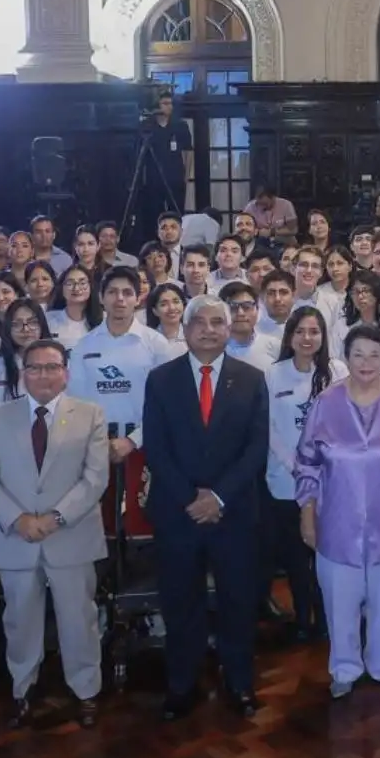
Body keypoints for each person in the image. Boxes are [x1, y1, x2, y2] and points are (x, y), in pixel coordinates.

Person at [142, 295, 270, 719]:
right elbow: (156, 449)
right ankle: (182, 685)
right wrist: (190, 498)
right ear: (187, 327)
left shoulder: (251, 379)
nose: (210, 329)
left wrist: (217, 497)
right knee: (181, 602)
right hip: (178, 512)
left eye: (219, 322)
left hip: (233, 512)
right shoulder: (160, 380)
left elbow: (256, 448)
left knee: (237, 601)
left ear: (229, 327)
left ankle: (239, 682)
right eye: (202, 322)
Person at [0, 339, 110, 728]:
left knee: (78, 618)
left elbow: (95, 478)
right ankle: (22, 688)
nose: (44, 375)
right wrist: (18, 519)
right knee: (19, 619)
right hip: (15, 537)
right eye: (35, 367)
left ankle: (86, 689)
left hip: (71, 536)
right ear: (22, 373)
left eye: (53, 367)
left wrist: (55, 518)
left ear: (66, 371)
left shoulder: (90, 414)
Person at [293, 324, 380, 696]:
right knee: (340, 602)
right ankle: (344, 669)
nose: (366, 362)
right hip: (336, 522)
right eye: (358, 354)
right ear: (346, 357)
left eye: (375, 355)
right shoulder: (326, 402)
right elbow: (306, 462)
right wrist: (307, 513)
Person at [264, 308, 346, 644]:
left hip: (329, 478)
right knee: (296, 558)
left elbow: (345, 422)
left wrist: (319, 463)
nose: (307, 338)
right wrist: (294, 463)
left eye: (314, 331)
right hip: (285, 479)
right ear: (290, 336)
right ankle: (302, 617)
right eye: (301, 331)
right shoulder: (273, 374)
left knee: (326, 556)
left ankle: (328, 618)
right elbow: (267, 426)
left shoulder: (337, 371)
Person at [72, 267, 175, 483]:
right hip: (96, 447)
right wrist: (97, 441)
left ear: (138, 298)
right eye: (112, 292)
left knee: (140, 515)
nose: (120, 299)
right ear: (101, 297)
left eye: (127, 293)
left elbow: (169, 404)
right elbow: (75, 402)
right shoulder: (83, 346)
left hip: (146, 445)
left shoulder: (156, 344)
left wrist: (133, 440)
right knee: (102, 516)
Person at [0, 299, 51, 407]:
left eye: (32, 322)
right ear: (8, 328)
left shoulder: (57, 362)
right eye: (17, 324)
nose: (26, 329)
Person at [147, 91, 194, 213]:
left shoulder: (180, 125)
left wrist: (186, 176)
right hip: (154, 178)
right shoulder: (148, 126)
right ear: (157, 106)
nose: (170, 106)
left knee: (176, 211)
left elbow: (188, 151)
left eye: (171, 103)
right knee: (154, 212)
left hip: (175, 177)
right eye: (165, 103)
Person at [220, 280, 282, 367]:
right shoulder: (212, 349)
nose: (240, 313)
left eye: (247, 306)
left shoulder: (275, 347)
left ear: (258, 309)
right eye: (233, 307)